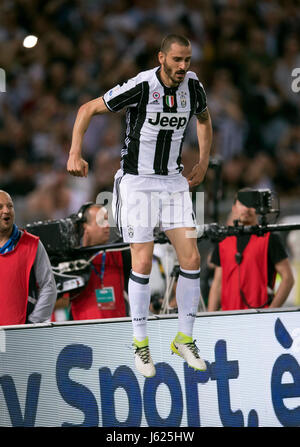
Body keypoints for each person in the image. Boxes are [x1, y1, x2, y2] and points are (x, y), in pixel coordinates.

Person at [67, 34, 213, 377]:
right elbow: (86, 109)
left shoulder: (194, 87)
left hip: (173, 182)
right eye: (177, 60)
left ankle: (184, 339)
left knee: (191, 258)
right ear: (161, 57)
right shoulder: (142, 86)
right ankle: (140, 343)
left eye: (187, 60)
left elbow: (204, 120)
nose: (183, 67)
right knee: (143, 260)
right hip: (138, 183)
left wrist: (204, 162)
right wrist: (74, 152)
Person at [207, 188, 295, 312]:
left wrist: (270, 311)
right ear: (234, 208)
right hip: (227, 316)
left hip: (259, 315)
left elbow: (288, 278)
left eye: (251, 204)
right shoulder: (224, 240)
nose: (246, 209)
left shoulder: (270, 238)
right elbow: (217, 283)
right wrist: (211, 319)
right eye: (242, 203)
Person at [0, 190, 57, 325]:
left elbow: (49, 287)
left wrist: (32, 324)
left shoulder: (32, 245)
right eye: (0, 207)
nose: (6, 211)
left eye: (10, 206)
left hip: (20, 334)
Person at [69, 203, 131, 320]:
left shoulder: (121, 253)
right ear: (85, 226)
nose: (107, 225)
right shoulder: (72, 261)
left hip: (119, 330)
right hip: (81, 331)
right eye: (101, 221)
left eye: (107, 221)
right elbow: (59, 302)